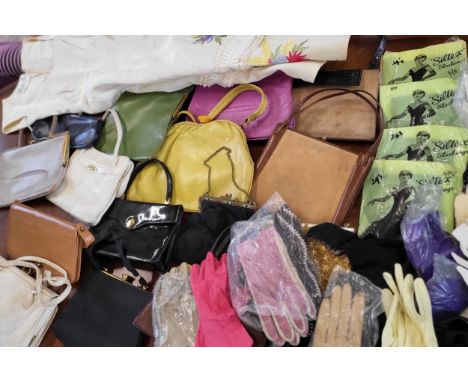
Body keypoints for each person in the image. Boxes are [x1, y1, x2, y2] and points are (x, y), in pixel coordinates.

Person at [363, 170, 416, 240]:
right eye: (403, 178)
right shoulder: (394, 188)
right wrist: (375, 200)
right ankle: (382, 239)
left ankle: (388, 240)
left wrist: (406, 204)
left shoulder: (411, 188)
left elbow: (416, 200)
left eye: (407, 178)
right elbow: (384, 199)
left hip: (402, 211)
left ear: (409, 178)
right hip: (394, 210)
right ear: (399, 178)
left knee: (391, 225)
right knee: (386, 224)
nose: (405, 180)